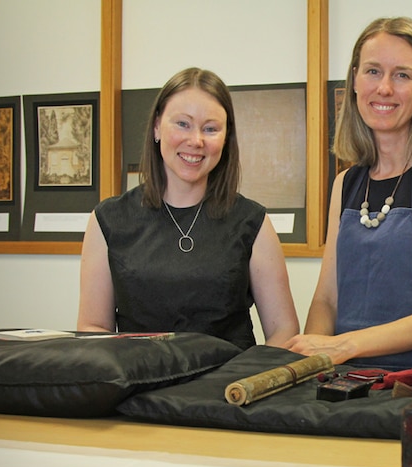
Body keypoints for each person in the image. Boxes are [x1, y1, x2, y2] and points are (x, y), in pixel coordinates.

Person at [285, 17, 412, 370]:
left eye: (402, 75)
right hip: (342, 381)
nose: (385, 88)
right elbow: (327, 300)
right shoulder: (345, 183)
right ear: (356, 81)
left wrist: (345, 345)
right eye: (373, 72)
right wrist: (315, 362)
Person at [77, 67, 299, 350]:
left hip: (227, 389)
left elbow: (285, 331)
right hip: (139, 385)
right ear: (157, 126)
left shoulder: (253, 223)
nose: (196, 141)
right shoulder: (108, 221)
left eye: (210, 128)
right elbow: (92, 328)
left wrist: (247, 384)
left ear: (226, 137)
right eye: (182, 124)